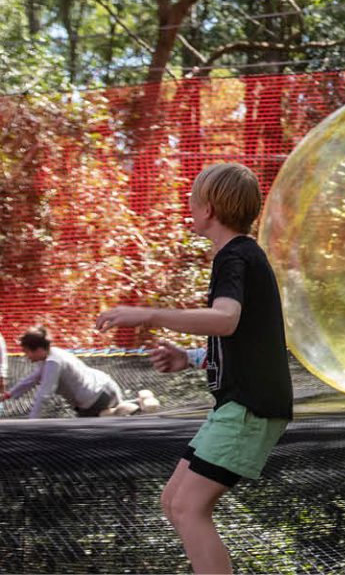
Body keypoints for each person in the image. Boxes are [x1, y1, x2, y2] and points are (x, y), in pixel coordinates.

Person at [96, 162, 293, 575]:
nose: (188, 204)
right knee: (173, 501)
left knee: (188, 507)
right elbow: (245, 339)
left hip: (250, 407)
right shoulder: (240, 256)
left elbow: (225, 320)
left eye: (192, 198)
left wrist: (149, 314)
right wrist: (190, 358)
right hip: (237, 405)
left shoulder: (235, 255)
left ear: (209, 209)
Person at [1, 327, 139, 418]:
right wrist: (8, 395)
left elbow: (44, 394)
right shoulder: (51, 355)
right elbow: (32, 379)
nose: (26, 356)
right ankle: (136, 404)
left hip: (97, 398)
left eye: (27, 352)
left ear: (38, 350)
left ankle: (130, 408)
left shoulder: (53, 362)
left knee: (92, 427)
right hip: (104, 389)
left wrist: (32, 422)